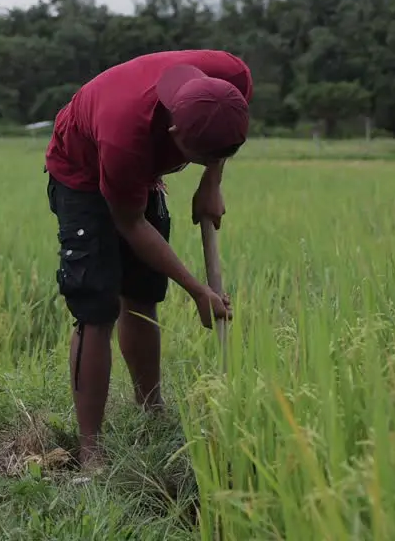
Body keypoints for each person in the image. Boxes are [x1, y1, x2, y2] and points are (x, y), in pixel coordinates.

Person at [42, 49, 252, 469]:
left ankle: (151, 412)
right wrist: (198, 290)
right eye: (199, 157)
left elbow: (223, 138)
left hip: (138, 167)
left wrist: (212, 181)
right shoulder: (125, 133)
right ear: (173, 129)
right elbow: (132, 224)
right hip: (81, 171)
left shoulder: (230, 77)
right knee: (96, 306)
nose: (204, 163)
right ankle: (91, 451)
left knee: (142, 293)